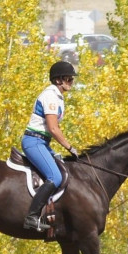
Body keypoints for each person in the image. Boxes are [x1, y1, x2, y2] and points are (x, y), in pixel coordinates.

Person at [22, 61, 79, 231]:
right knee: (55, 177)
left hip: (43, 142)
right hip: (34, 141)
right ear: (58, 80)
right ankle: (31, 217)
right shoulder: (50, 96)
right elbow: (53, 128)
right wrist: (70, 147)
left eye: (71, 79)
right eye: (69, 79)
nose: (71, 81)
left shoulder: (58, 97)